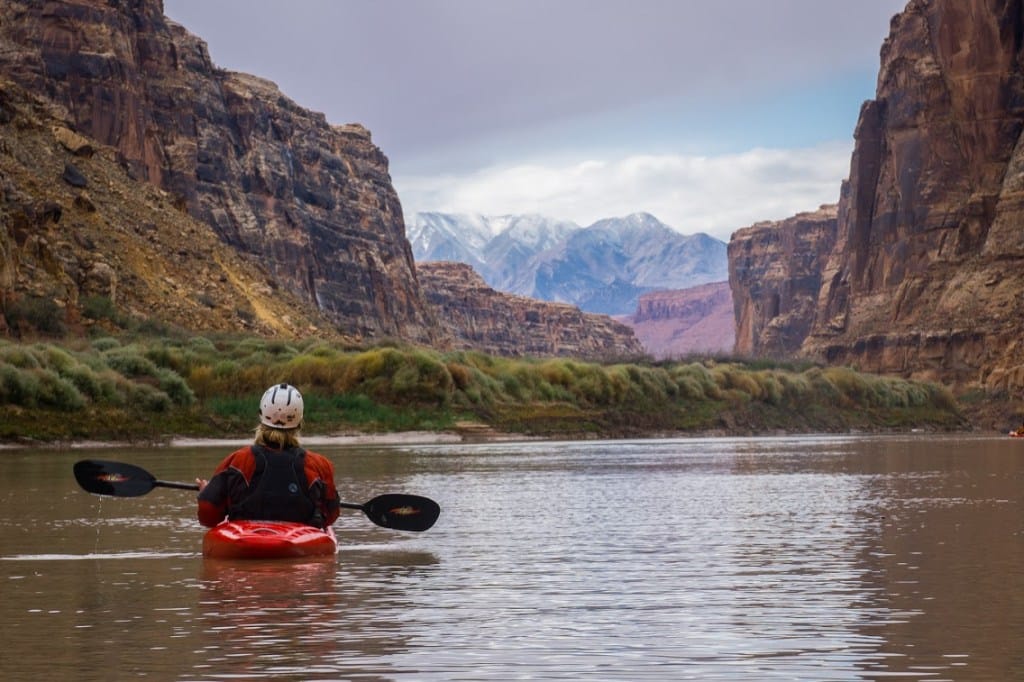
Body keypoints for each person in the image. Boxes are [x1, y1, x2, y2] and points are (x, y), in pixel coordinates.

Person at [196, 383, 341, 529]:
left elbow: (208, 516)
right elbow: (331, 515)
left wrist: (206, 493)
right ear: (299, 422)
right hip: (299, 540)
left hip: (245, 540)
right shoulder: (320, 465)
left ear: (261, 417)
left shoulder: (237, 461)